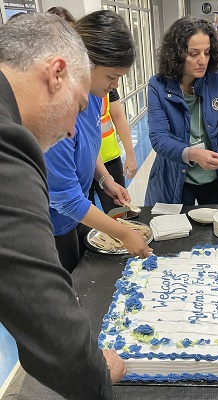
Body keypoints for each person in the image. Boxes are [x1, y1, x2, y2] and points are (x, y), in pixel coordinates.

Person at [0, 13, 126, 399]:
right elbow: (40, 305)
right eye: (78, 103)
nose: (74, 129)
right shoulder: (9, 143)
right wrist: (98, 376)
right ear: (56, 74)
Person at [44, 10, 152, 273]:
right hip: (51, 224)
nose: (114, 85)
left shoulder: (93, 93)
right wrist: (124, 234)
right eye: (111, 76)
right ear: (84, 63)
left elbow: (86, 148)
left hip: (78, 211)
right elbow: (66, 199)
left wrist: (105, 180)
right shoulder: (54, 111)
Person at [144, 17, 218, 207]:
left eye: (206, 52)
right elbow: (159, 138)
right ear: (177, 54)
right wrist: (193, 154)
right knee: (178, 232)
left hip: (214, 177)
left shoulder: (217, 80)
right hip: (175, 178)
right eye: (193, 54)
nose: (202, 60)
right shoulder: (158, 86)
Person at [89, 88, 138, 214]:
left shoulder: (106, 84)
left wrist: (130, 156)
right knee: (84, 220)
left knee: (118, 211)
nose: (115, 83)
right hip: (83, 164)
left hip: (109, 159)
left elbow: (118, 116)